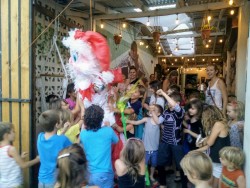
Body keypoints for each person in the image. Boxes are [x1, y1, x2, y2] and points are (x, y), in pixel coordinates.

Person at [80, 105, 118, 188]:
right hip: (104, 173)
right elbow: (116, 140)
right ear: (101, 119)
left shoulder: (83, 134)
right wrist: (108, 126)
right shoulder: (108, 131)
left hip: (89, 173)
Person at [155, 89, 187, 188]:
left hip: (176, 143)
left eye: (170, 101)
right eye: (168, 102)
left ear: (177, 103)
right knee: (160, 163)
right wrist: (152, 112)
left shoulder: (180, 112)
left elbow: (175, 106)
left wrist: (164, 93)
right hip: (165, 141)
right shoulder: (165, 112)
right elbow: (158, 122)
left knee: (181, 165)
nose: (168, 104)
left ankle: (184, 186)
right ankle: (163, 184)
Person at [127, 104, 164, 183]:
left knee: (154, 164)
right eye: (151, 110)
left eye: (154, 110)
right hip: (146, 148)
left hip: (155, 148)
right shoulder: (146, 119)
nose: (151, 111)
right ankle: (144, 175)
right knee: (144, 163)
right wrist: (128, 121)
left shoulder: (159, 122)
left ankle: (151, 176)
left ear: (158, 114)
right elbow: (136, 122)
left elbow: (160, 122)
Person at [195, 105, 230, 188]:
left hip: (219, 158)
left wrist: (204, 141)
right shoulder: (217, 124)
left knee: (214, 185)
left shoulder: (218, 124)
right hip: (215, 158)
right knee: (210, 182)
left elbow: (210, 142)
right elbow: (208, 139)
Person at [37, 110, 72, 188]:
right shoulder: (63, 139)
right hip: (55, 180)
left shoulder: (40, 137)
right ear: (57, 124)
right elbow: (75, 149)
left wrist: (63, 130)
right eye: (60, 120)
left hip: (42, 179)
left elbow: (55, 140)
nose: (61, 121)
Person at [0, 122, 39, 187]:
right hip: (14, 184)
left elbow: (9, 163)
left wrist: (21, 158)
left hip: (3, 184)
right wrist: (37, 159)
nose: (14, 133)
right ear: (6, 135)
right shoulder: (11, 149)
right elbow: (23, 165)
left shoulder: (2, 149)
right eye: (13, 131)